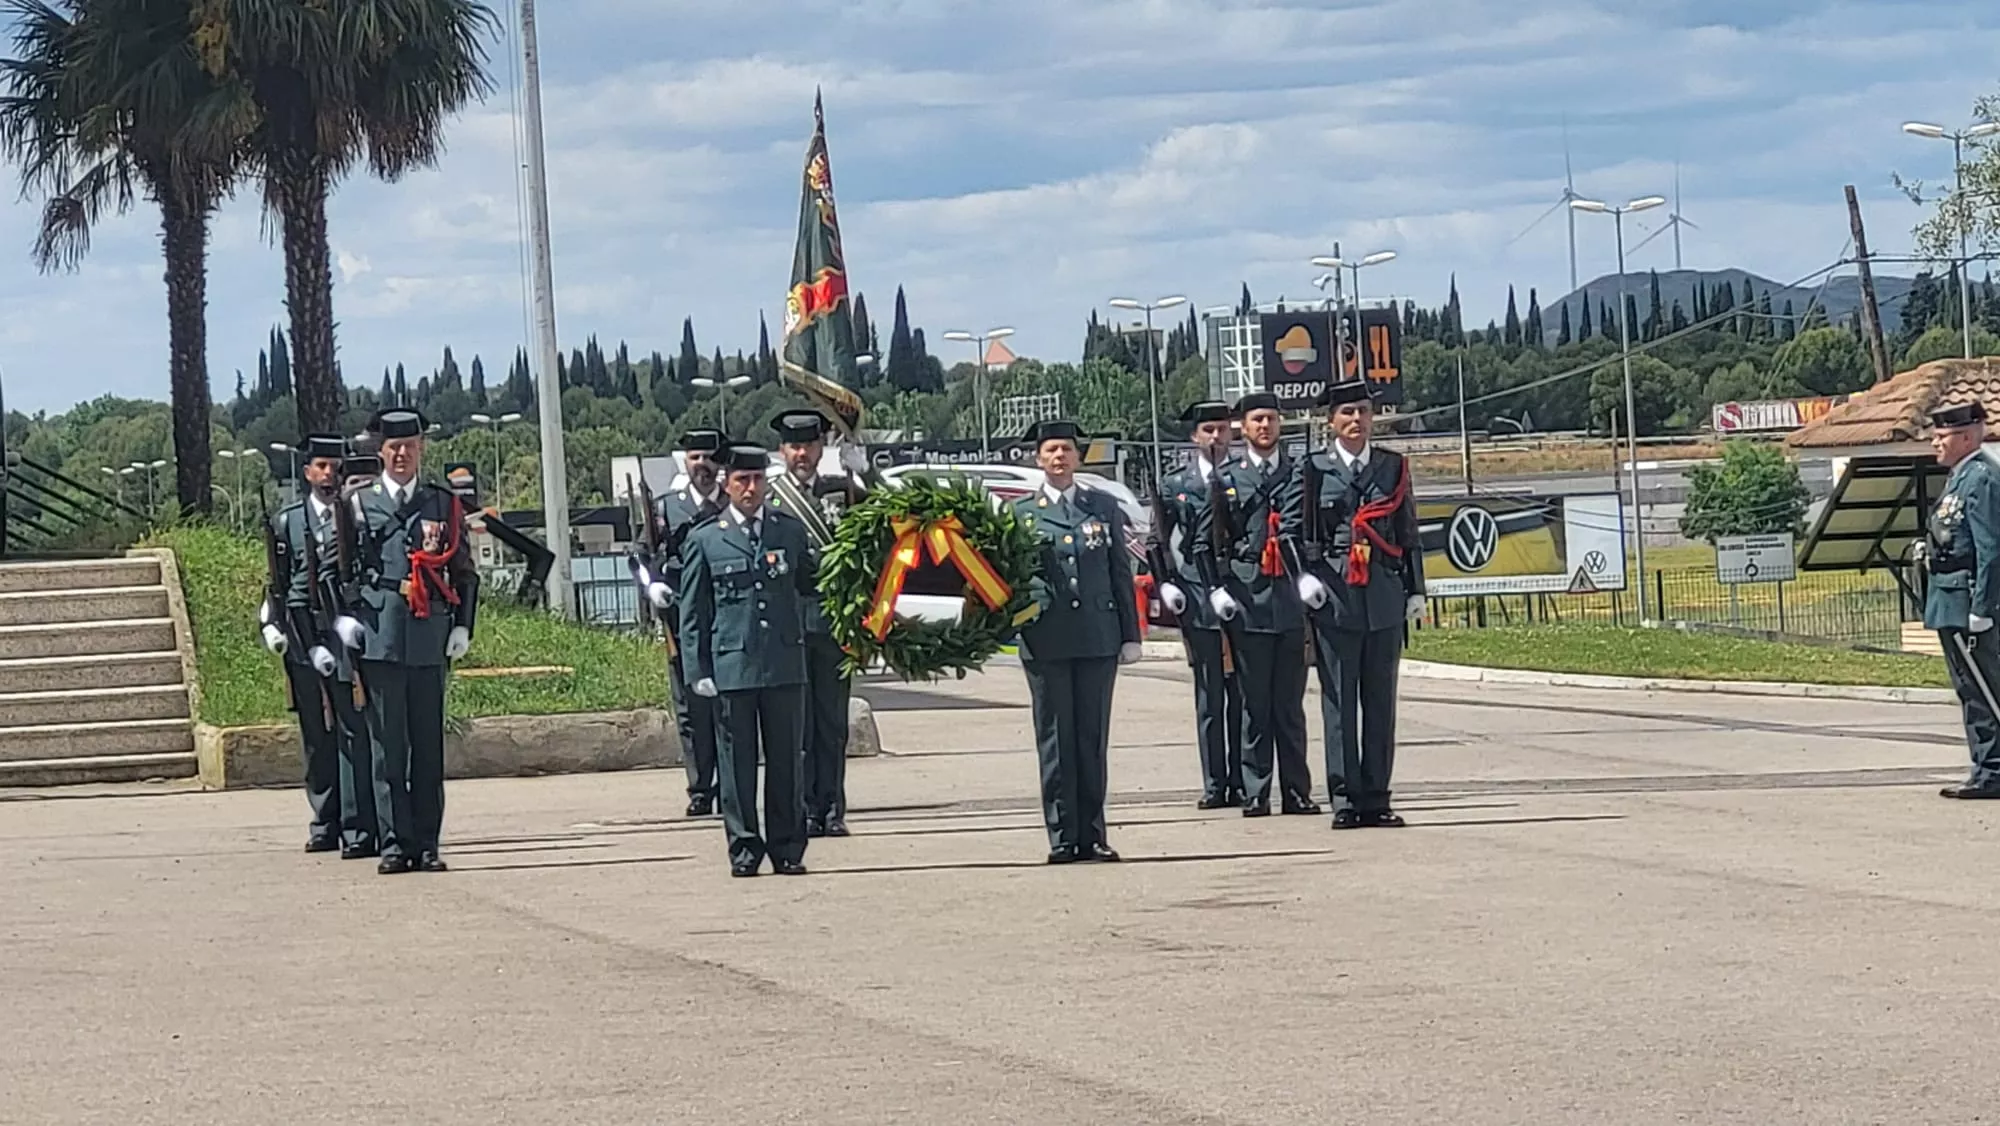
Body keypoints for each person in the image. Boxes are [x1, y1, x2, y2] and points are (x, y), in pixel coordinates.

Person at [337, 409, 481, 874]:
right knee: (388, 749)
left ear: (421, 449)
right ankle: (394, 844)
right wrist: (345, 621)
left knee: (427, 747)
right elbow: (341, 571)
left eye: (411, 446)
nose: (402, 455)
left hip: (428, 637)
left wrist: (463, 625)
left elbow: (464, 571)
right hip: (379, 634)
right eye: (394, 447)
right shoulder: (360, 505)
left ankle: (427, 844)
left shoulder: (441, 504)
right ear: (380, 451)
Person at [1281, 379, 1424, 829]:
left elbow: (1407, 532)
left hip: (1382, 595)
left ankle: (1377, 797)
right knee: (1339, 701)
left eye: (1363, 411)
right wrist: (1302, 580)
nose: (1356, 421)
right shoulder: (1311, 470)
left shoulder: (1392, 468)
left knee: (1380, 702)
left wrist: (1416, 589)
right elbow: (1288, 531)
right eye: (1347, 413)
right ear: (1331, 421)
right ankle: (1344, 798)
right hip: (1334, 597)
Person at [679, 443, 815, 877]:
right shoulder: (705, 539)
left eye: (757, 480)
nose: (750, 489)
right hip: (732, 667)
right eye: (741, 480)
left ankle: (788, 848)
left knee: (786, 762)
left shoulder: (789, 532)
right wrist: (697, 671)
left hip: (782, 665)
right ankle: (743, 848)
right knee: (737, 768)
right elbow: (693, 614)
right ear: (727, 483)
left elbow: (813, 587)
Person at [1012, 420, 1143, 863]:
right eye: (1051, 450)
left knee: (1091, 738)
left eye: (1066, 449)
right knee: (1055, 740)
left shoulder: (1102, 506)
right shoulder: (1021, 514)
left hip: (1096, 638)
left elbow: (1120, 573)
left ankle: (1093, 833)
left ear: (1078, 457)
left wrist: (1130, 634)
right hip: (1046, 640)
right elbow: (1010, 579)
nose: (1059, 457)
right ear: (1038, 458)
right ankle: (1062, 837)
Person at [261, 433, 377, 857]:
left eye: (335, 467)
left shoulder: (354, 516)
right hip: (303, 632)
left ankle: (356, 826)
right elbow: (278, 579)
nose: (329, 475)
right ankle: (324, 821)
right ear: (307, 472)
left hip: (343, 633)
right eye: (321, 467)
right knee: (315, 732)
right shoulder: (288, 520)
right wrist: (274, 623)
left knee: (352, 729)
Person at [762, 409, 866, 837]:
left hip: (833, 625)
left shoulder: (843, 490)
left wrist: (866, 474)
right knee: (797, 727)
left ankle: (833, 808)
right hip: (790, 627)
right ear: (782, 450)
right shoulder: (771, 498)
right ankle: (804, 808)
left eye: (808, 445)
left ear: (822, 448)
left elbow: (878, 528)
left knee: (831, 723)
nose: (801, 454)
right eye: (793, 446)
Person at [1216, 392, 1318, 816]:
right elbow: (1215, 539)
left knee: (1290, 706)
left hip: (1290, 601)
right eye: (1257, 419)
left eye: (1272, 419)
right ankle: (1256, 790)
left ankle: (1296, 791)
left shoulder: (1300, 473)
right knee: (1254, 704)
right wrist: (1216, 588)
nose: (1265, 426)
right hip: (1249, 600)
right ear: (1243, 426)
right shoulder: (1227, 477)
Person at [1149, 401, 1246, 810]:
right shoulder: (1176, 484)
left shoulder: (1243, 479)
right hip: (1195, 595)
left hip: (1241, 594)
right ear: (1194, 437)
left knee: (1242, 693)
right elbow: (1158, 538)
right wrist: (1165, 583)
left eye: (1223, 430)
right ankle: (1214, 781)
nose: (1216, 437)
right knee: (1210, 694)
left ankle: (1242, 779)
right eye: (1208, 430)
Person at [631, 428, 727, 817]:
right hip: (682, 622)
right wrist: (651, 586)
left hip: (726, 621)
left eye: (708, 457)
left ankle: (732, 785)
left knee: (728, 708)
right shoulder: (667, 508)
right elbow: (638, 555)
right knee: (690, 710)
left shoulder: (733, 505)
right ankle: (701, 788)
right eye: (694, 457)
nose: (701, 464)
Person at [1922, 401, 2000, 800]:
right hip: (1948, 598)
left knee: (1983, 687)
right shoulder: (1960, 477)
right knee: (1969, 688)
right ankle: (1985, 766)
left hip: (1969, 601)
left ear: (1968, 436)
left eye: (1943, 435)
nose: (1935, 440)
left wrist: (1982, 608)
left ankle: (1992, 770)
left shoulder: (1982, 478)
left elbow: (1991, 549)